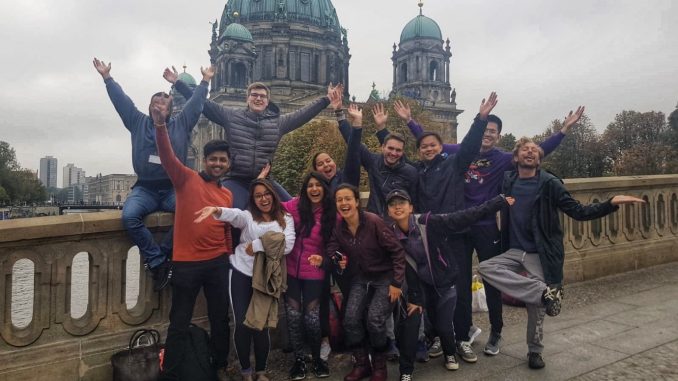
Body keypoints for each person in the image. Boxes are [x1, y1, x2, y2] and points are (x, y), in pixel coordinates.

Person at [390, 99, 584, 356]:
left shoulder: (504, 159)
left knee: (492, 281)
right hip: (459, 226)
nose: (488, 134)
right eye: (485, 130)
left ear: (497, 136)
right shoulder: (460, 152)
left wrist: (562, 131)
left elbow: (537, 151)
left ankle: (496, 330)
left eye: (493, 131)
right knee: (458, 282)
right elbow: (430, 144)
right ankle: (464, 331)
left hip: (486, 226)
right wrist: (409, 120)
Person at [478, 137, 644, 370]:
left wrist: (611, 203)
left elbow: (578, 211)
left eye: (534, 150)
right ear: (515, 158)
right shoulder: (508, 181)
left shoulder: (549, 183)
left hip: (539, 252)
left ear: (539, 158)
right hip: (514, 250)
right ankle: (542, 292)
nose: (530, 152)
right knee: (485, 268)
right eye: (525, 149)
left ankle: (535, 351)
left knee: (535, 308)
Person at [93, 58, 208, 290]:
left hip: (174, 187)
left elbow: (196, 104)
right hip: (144, 188)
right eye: (155, 103)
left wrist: (205, 81)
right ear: (149, 107)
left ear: (171, 107)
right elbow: (121, 102)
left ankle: (163, 255)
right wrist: (107, 78)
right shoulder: (137, 122)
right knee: (129, 217)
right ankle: (157, 260)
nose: (159, 106)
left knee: (194, 214)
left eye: (164, 103)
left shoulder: (181, 123)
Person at [147, 76, 233, 380]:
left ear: (227, 164)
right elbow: (168, 156)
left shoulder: (227, 193)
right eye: (214, 159)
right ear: (206, 161)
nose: (218, 164)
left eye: (223, 160)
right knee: (179, 321)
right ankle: (171, 373)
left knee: (220, 318)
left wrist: (228, 253)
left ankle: (219, 365)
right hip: (186, 264)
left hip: (218, 263)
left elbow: (225, 228)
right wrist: (160, 125)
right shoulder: (185, 179)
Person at [164, 67, 341, 208]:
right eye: (254, 95)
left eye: (262, 96)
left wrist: (326, 99)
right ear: (247, 98)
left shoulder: (279, 122)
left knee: (294, 210)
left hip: (265, 180)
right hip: (236, 180)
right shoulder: (232, 116)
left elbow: (304, 114)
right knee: (230, 213)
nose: (258, 99)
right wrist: (178, 83)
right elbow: (202, 104)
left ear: (267, 101)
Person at [386, 189, 513, 380]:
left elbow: (463, 217)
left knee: (444, 326)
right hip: (419, 288)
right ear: (388, 211)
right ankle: (406, 370)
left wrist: (497, 202)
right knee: (410, 326)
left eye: (402, 203)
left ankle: (450, 352)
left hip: (444, 283)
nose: (397, 207)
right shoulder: (391, 235)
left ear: (410, 207)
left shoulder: (428, 223)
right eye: (393, 204)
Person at [194, 179, 295, 381]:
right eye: (258, 195)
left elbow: (288, 244)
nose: (263, 199)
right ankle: (246, 371)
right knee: (242, 323)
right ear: (253, 199)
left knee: (260, 325)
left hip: (266, 276)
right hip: (242, 271)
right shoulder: (248, 216)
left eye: (267, 194)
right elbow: (234, 215)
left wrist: (258, 245)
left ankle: (261, 371)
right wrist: (216, 209)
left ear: (273, 195)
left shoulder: (286, 218)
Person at [310, 184, 406, 381]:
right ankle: (362, 364)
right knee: (350, 319)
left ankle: (380, 366)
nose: (344, 203)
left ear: (356, 201)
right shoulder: (338, 228)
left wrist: (397, 282)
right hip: (360, 278)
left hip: (384, 277)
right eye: (339, 200)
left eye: (347, 199)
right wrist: (331, 259)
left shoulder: (373, 221)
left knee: (375, 320)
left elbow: (397, 251)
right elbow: (332, 250)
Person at [280, 172, 337, 380]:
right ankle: (299, 361)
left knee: (311, 318)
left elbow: (336, 245)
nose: (314, 189)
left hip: (315, 269)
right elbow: (269, 205)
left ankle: (317, 359)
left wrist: (325, 260)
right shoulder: (294, 206)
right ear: (305, 189)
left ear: (324, 188)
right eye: (310, 185)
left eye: (318, 185)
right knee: (293, 316)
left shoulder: (332, 213)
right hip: (291, 269)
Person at [335, 103, 418, 217]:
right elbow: (354, 145)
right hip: (374, 222)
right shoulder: (373, 161)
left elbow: (415, 202)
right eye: (390, 148)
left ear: (403, 152)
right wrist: (350, 120)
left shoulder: (411, 172)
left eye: (398, 150)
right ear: (382, 147)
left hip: (398, 225)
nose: (393, 153)